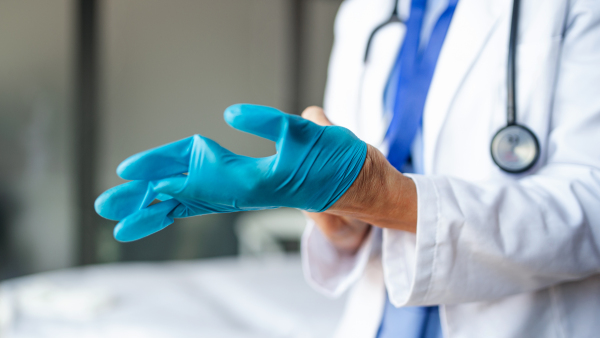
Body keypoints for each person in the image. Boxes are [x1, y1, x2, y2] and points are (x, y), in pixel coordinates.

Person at [95, 0, 600, 337]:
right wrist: (334, 212)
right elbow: (355, 211)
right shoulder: (366, 10)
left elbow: (592, 210)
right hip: (377, 319)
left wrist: (383, 195)